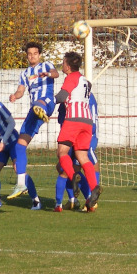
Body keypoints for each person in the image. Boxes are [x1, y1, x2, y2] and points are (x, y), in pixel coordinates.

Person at [8, 42, 59, 200]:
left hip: (47, 101)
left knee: (39, 104)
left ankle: (42, 111)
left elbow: (56, 73)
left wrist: (48, 75)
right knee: (20, 145)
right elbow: (21, 90)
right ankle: (21, 182)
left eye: (35, 53)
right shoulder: (24, 73)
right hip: (34, 111)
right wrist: (15, 96)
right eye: (29, 54)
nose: (32, 56)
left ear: (39, 54)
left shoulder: (45, 65)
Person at [55, 51, 101, 209]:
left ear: (68, 66)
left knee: (62, 152)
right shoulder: (86, 81)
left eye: (63, 62)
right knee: (83, 156)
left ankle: (74, 176)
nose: (62, 65)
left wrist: (47, 102)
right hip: (87, 122)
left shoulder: (71, 77)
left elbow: (61, 97)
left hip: (73, 120)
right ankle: (94, 187)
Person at [53, 92, 98, 212]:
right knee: (76, 167)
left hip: (77, 136)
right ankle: (79, 200)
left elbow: (63, 121)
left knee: (66, 170)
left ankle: (60, 204)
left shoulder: (70, 97)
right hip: (87, 134)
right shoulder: (88, 96)